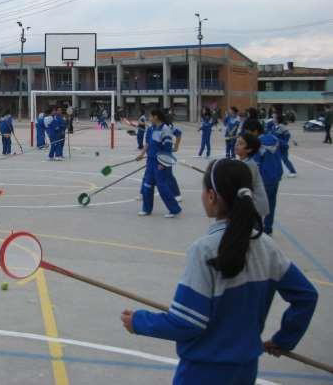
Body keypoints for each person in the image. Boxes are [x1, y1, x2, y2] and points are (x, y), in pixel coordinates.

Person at [120, 159, 318, 385]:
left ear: (212, 196)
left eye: (203, 189)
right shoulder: (267, 246)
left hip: (202, 372)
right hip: (245, 371)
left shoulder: (204, 250)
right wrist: (285, 339)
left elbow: (187, 323)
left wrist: (138, 322)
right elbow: (306, 296)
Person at [136, 109, 182, 218]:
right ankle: (146, 209)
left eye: (150, 116)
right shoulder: (151, 129)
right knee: (147, 185)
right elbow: (148, 143)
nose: (149, 118)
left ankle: (174, 209)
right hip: (150, 162)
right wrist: (142, 154)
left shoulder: (165, 130)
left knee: (162, 187)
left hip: (160, 163)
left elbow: (167, 148)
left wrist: (163, 163)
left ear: (156, 117)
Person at [243, 119, 282, 235]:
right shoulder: (274, 138)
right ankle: (268, 228)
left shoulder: (256, 144)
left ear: (255, 131)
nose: (247, 136)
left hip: (263, 178)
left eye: (248, 132)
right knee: (271, 203)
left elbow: (256, 165)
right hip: (276, 176)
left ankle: (256, 230)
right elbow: (283, 149)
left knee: (256, 205)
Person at [235, 133, 269, 220]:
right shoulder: (243, 162)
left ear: (249, 149)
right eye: (237, 142)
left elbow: (243, 187)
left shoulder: (249, 165)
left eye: (240, 143)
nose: (237, 145)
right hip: (249, 205)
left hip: (254, 206)